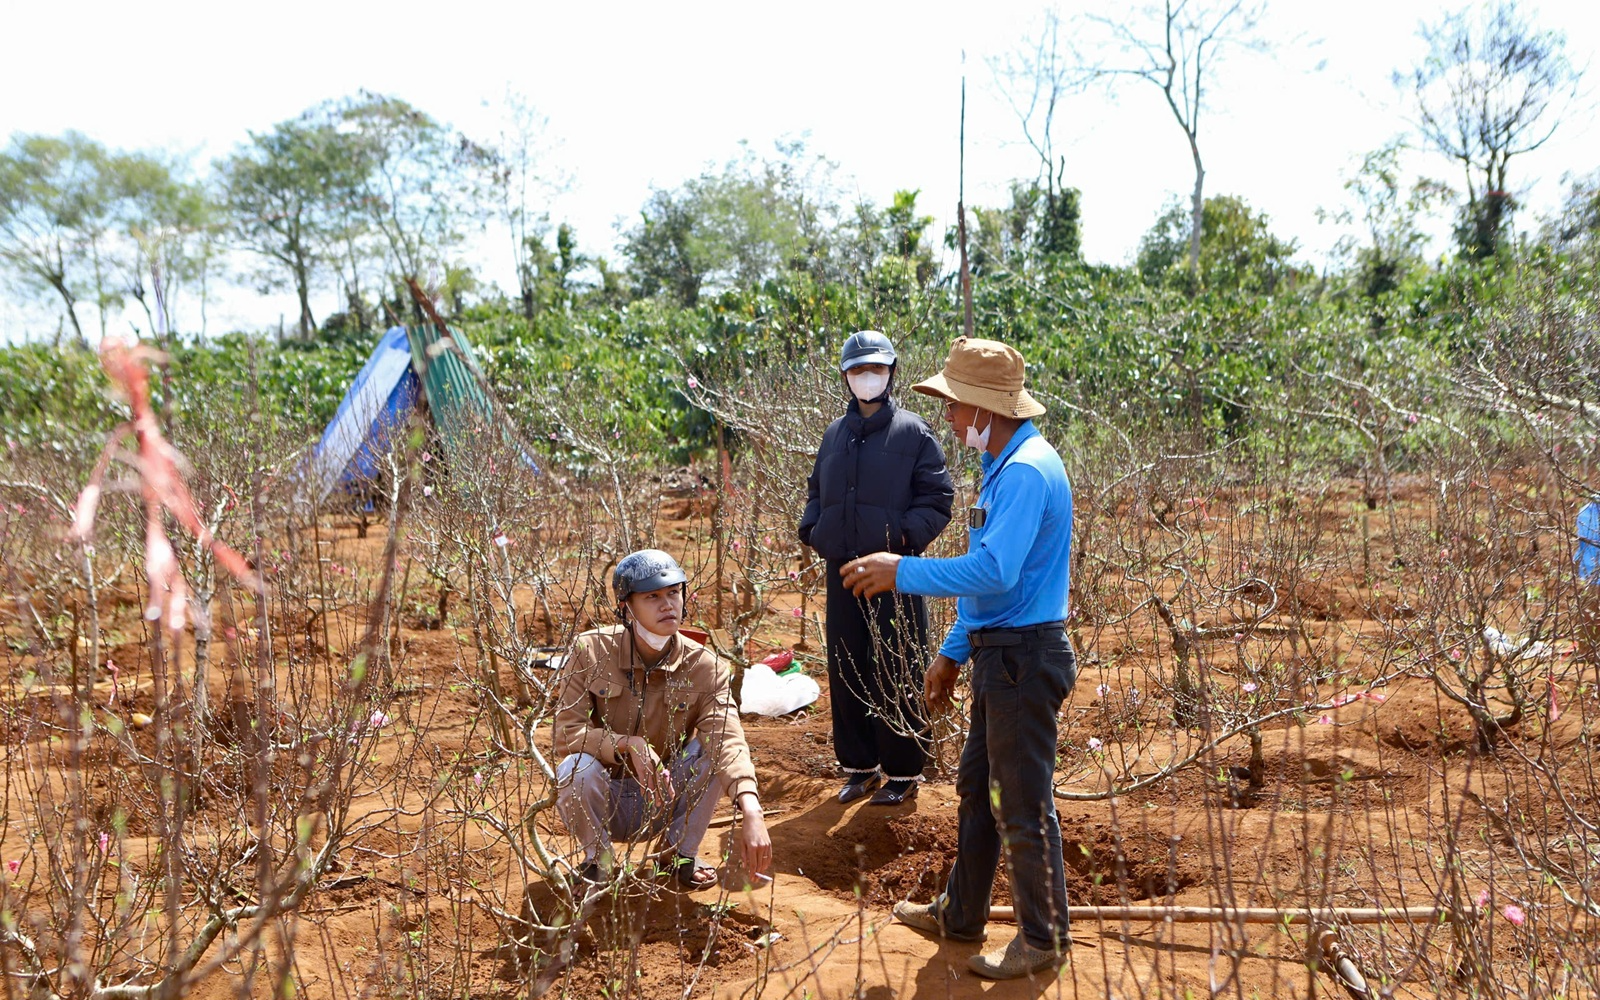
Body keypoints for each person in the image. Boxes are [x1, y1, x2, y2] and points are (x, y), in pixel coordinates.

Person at [841, 336, 1075, 980]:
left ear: (984, 409)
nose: (948, 418)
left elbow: (996, 573)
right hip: (1001, 653)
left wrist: (902, 571)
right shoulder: (1004, 466)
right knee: (979, 786)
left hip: (1023, 661)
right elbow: (999, 588)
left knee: (1021, 802)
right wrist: (951, 652)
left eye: (955, 406)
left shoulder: (1027, 470)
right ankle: (960, 914)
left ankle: (1044, 938)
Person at [553, 549, 772, 889]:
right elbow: (567, 732)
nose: (667, 604)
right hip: (606, 794)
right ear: (626, 607)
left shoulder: (707, 667)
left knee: (710, 749)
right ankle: (600, 862)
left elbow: (728, 739)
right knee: (574, 768)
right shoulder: (590, 651)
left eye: (673, 593)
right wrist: (627, 745)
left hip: (664, 797)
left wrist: (752, 810)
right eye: (652, 596)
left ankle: (677, 855)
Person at [799, 331, 955, 805]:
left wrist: (902, 540)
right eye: (858, 370)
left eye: (877, 369)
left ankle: (904, 774)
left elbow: (938, 498)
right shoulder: (834, 434)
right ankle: (860, 767)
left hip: (893, 572)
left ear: (891, 373)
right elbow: (815, 494)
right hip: (842, 571)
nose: (868, 377)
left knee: (897, 665)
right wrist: (815, 532)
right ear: (846, 377)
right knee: (847, 666)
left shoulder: (913, 432)